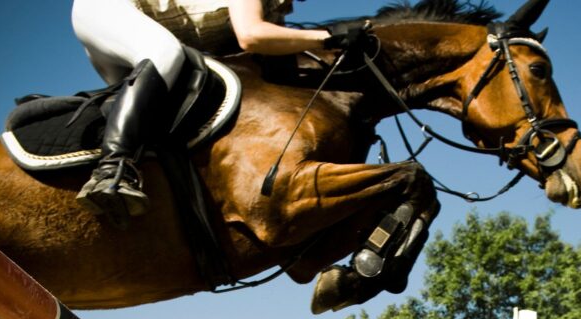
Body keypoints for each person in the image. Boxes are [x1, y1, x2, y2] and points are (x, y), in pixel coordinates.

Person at [70, 0, 370, 221]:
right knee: (166, 54)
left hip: (135, 34)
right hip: (107, 10)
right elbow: (251, 36)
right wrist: (328, 36)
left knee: (164, 115)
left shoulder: (275, 12)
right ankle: (112, 170)